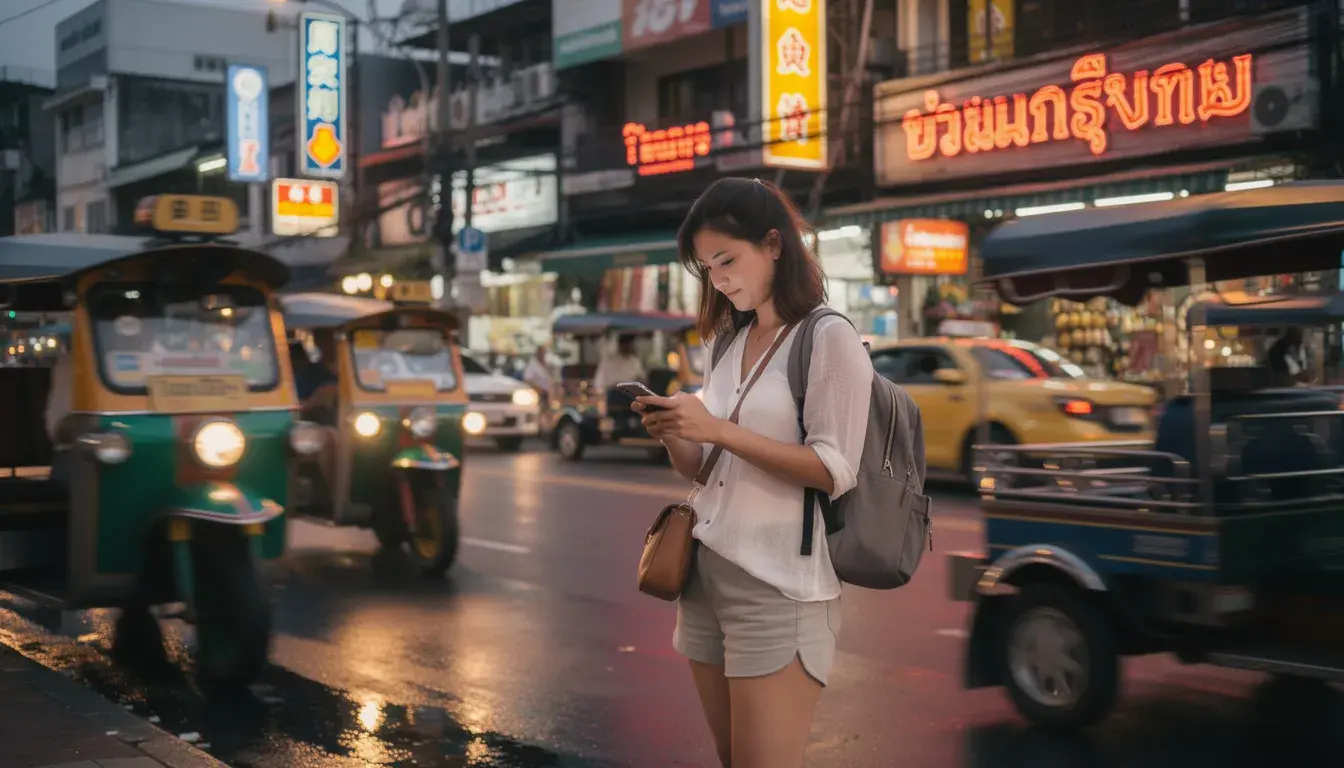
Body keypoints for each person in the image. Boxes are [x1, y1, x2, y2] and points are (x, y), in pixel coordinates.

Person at [632, 178, 872, 768]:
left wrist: (715, 429)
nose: (720, 279)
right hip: (704, 573)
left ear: (774, 244)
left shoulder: (827, 337)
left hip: (778, 587)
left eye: (727, 260)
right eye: (708, 268)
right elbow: (705, 468)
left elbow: (834, 469)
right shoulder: (725, 342)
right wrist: (676, 432)